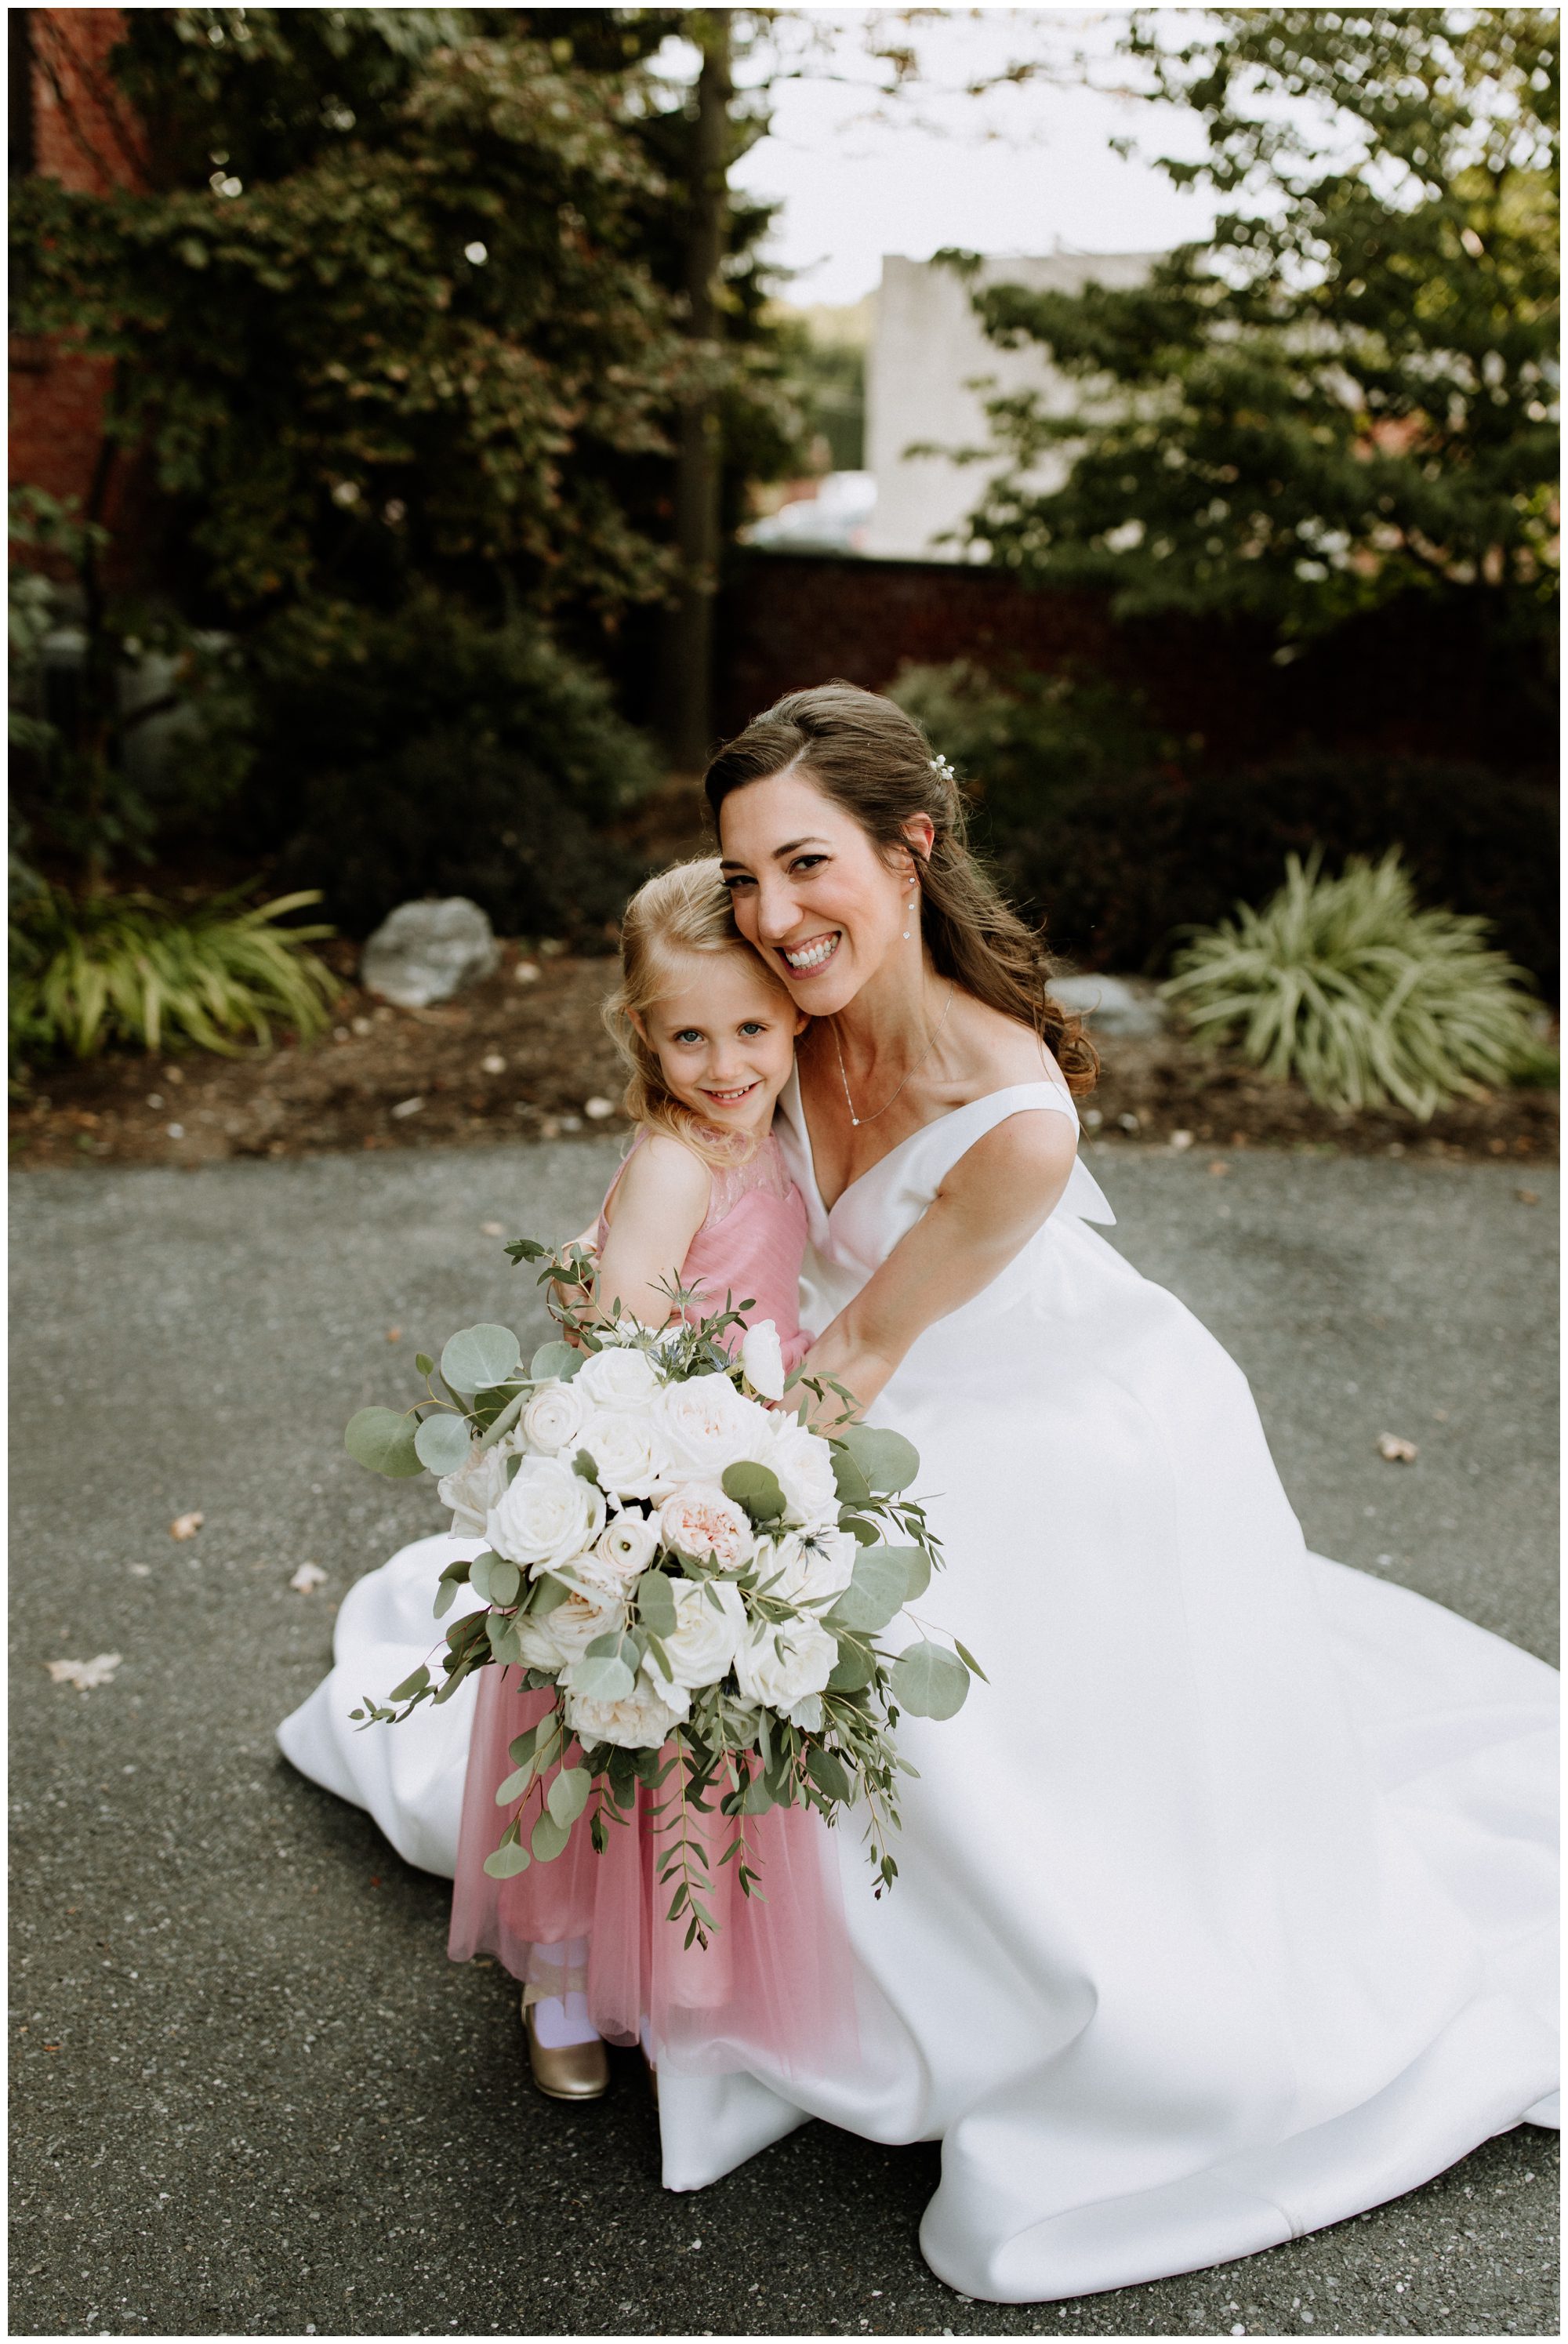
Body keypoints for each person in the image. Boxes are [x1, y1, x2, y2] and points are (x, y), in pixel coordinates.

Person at [638, 680, 1555, 2303]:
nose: (773, 918)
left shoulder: (1017, 1123)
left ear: (909, 847)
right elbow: (697, 1177)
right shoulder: (779, 1014)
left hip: (1046, 1421)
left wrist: (695, 1506)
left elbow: (857, 1363)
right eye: (745, 879)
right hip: (841, 1381)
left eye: (807, 866)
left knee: (918, 1693)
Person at [279, 860, 829, 2103]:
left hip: (737, 1467)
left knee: (699, 1746)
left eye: (751, 1027)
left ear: (796, 1016)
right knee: (608, 1741)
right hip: (649, 1471)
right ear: (644, 1034)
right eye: (690, 1034)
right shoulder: (678, 1160)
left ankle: (678, 1957)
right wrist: (693, 1467)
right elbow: (630, 1334)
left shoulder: (775, 1133)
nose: (726, 1060)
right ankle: (563, 1969)